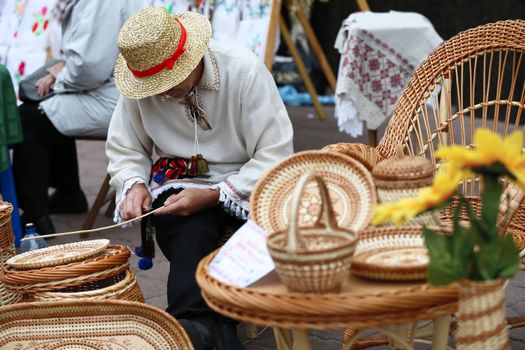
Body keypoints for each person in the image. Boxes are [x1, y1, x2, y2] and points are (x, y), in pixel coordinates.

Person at [106, 7, 294, 350]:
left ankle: (188, 329)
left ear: (191, 60)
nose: (160, 93)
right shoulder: (141, 82)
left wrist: (217, 193)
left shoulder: (244, 72)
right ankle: (201, 328)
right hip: (179, 183)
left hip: (248, 184)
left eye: (167, 83)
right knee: (189, 230)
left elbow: (276, 154)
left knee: (224, 230)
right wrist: (132, 184)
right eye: (152, 86)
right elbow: (125, 147)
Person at [12, 0, 147, 234]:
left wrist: (58, 78)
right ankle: (69, 194)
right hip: (117, 92)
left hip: (117, 101)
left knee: (29, 117)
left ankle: (36, 216)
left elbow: (88, 68)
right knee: (49, 109)